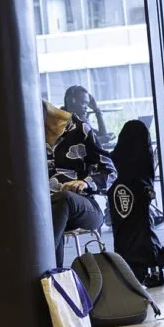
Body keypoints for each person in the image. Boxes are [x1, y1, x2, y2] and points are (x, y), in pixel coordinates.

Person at [44, 100, 117, 268]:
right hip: (48, 212)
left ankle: (44, 267)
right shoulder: (32, 137)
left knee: (63, 199)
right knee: (46, 217)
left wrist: (85, 182)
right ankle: (50, 279)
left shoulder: (80, 129)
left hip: (83, 207)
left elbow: (110, 171)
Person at [108, 119, 164, 287]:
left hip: (122, 239)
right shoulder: (142, 165)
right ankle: (151, 269)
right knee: (143, 230)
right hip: (141, 231)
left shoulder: (114, 163)